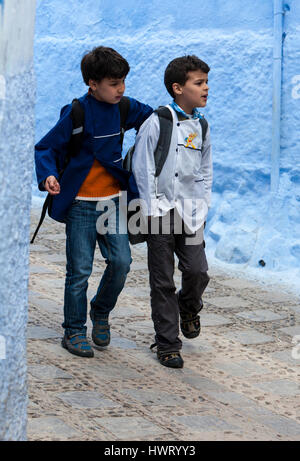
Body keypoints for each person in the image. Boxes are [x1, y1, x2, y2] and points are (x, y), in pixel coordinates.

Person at [35, 46, 153, 358]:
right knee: (79, 272)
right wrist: (48, 175)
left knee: (122, 262)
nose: (121, 89)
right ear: (92, 83)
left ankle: (100, 311)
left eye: (123, 81)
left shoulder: (125, 108)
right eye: (114, 83)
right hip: (80, 205)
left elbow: (155, 121)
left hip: (112, 203)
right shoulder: (76, 112)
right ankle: (73, 331)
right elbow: (45, 147)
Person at [132, 55, 212, 368]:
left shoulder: (202, 126)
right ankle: (167, 342)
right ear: (178, 88)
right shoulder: (158, 121)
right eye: (199, 83)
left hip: (191, 213)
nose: (206, 88)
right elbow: (143, 165)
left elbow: (206, 167)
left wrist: (204, 202)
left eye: (206, 82)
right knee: (162, 279)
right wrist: (151, 209)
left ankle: (189, 308)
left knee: (197, 270)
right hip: (160, 212)